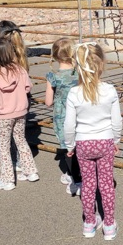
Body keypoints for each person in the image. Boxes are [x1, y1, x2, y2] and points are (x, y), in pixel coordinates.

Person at [63, 42, 122, 240]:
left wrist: (70, 144)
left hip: (83, 143)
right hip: (105, 141)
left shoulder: (74, 93)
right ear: (102, 64)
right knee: (106, 183)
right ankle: (109, 225)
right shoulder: (110, 90)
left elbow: (69, 125)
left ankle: (89, 222)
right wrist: (116, 139)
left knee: (88, 184)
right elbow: (117, 120)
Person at [0, 37, 39, 191]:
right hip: (21, 112)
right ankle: (31, 171)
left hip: (3, 115)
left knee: (4, 147)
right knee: (21, 140)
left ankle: (7, 179)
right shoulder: (20, 70)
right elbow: (28, 87)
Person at [44, 37, 81, 195]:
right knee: (79, 144)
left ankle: (76, 179)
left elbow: (48, 102)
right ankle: (80, 173)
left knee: (68, 148)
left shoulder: (53, 76)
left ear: (54, 56)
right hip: (79, 113)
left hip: (62, 116)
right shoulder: (79, 74)